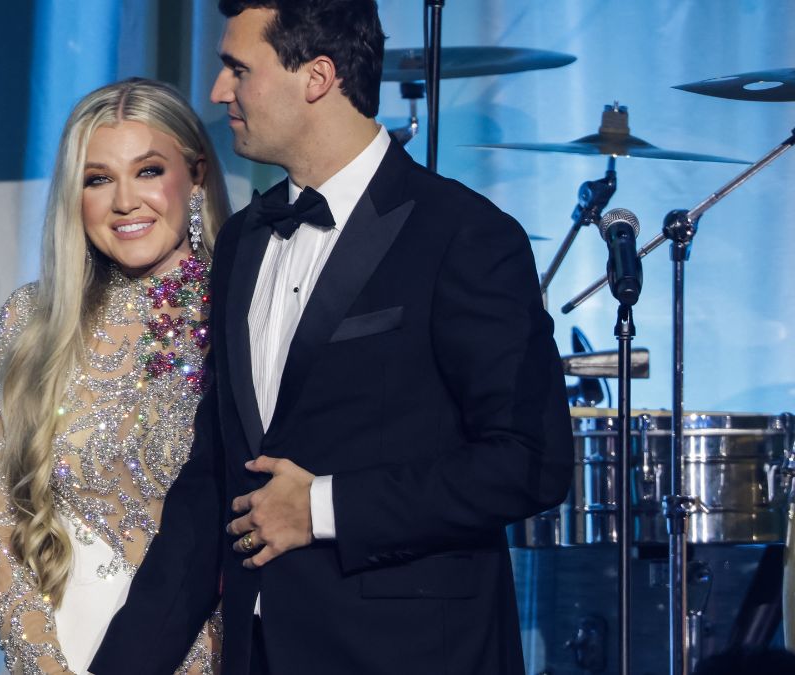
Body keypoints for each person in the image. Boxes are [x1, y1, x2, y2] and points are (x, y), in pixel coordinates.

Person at [91, 2, 573, 674]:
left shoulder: (464, 235)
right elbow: (212, 487)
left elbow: (531, 461)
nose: (217, 93)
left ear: (316, 76)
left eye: (238, 69)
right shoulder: (244, 242)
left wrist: (321, 506)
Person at [0, 78, 231, 675]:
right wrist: (44, 663)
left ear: (195, 176)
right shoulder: (31, 319)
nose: (124, 202)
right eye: (98, 179)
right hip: (59, 646)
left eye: (147, 171)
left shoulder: (240, 311)